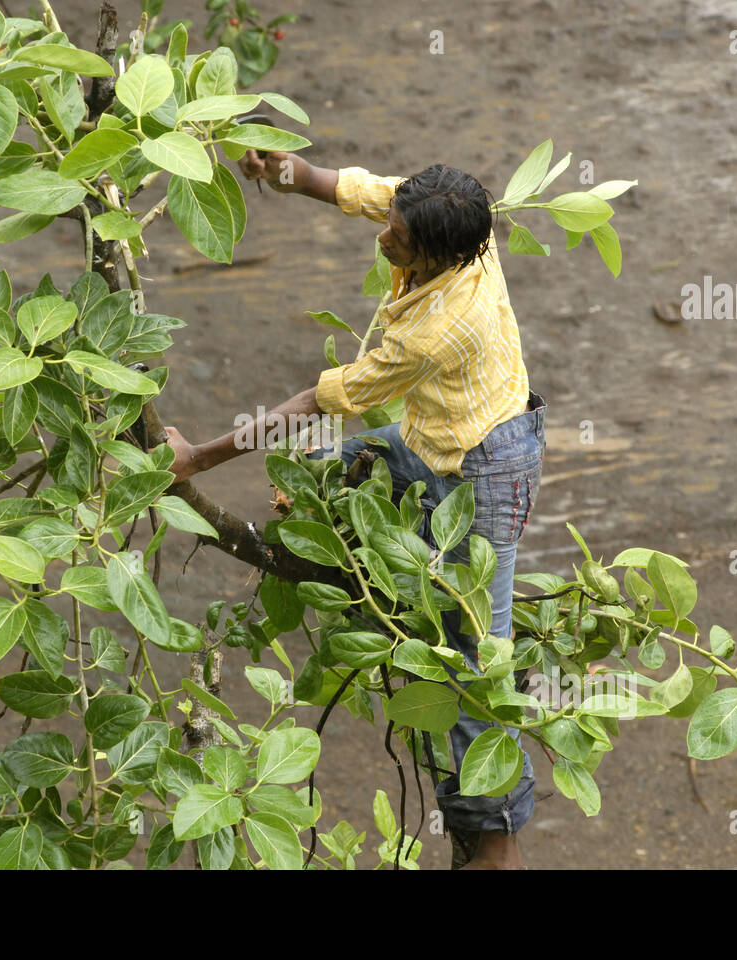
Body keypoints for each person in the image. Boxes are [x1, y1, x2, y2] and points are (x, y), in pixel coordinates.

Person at [159, 146, 546, 869]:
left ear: (431, 253)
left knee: (472, 670)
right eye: (392, 222)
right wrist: (284, 172)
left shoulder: (437, 329)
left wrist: (196, 458)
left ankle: (494, 839)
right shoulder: (461, 221)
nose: (383, 236)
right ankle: (368, 586)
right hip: (435, 437)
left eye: (396, 238)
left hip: (486, 473)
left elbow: (317, 400)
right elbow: (361, 190)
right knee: (325, 466)